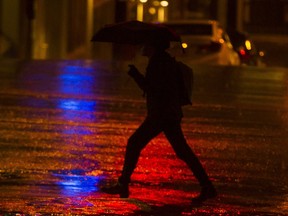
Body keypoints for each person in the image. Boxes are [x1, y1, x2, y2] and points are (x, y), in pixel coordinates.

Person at [102, 36, 217, 204]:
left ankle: (123, 184)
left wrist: (135, 75)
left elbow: (152, 89)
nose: (143, 47)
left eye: (146, 44)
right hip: (167, 113)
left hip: (161, 115)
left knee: (135, 143)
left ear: (153, 46)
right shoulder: (162, 61)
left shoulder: (159, 63)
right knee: (182, 151)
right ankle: (207, 187)